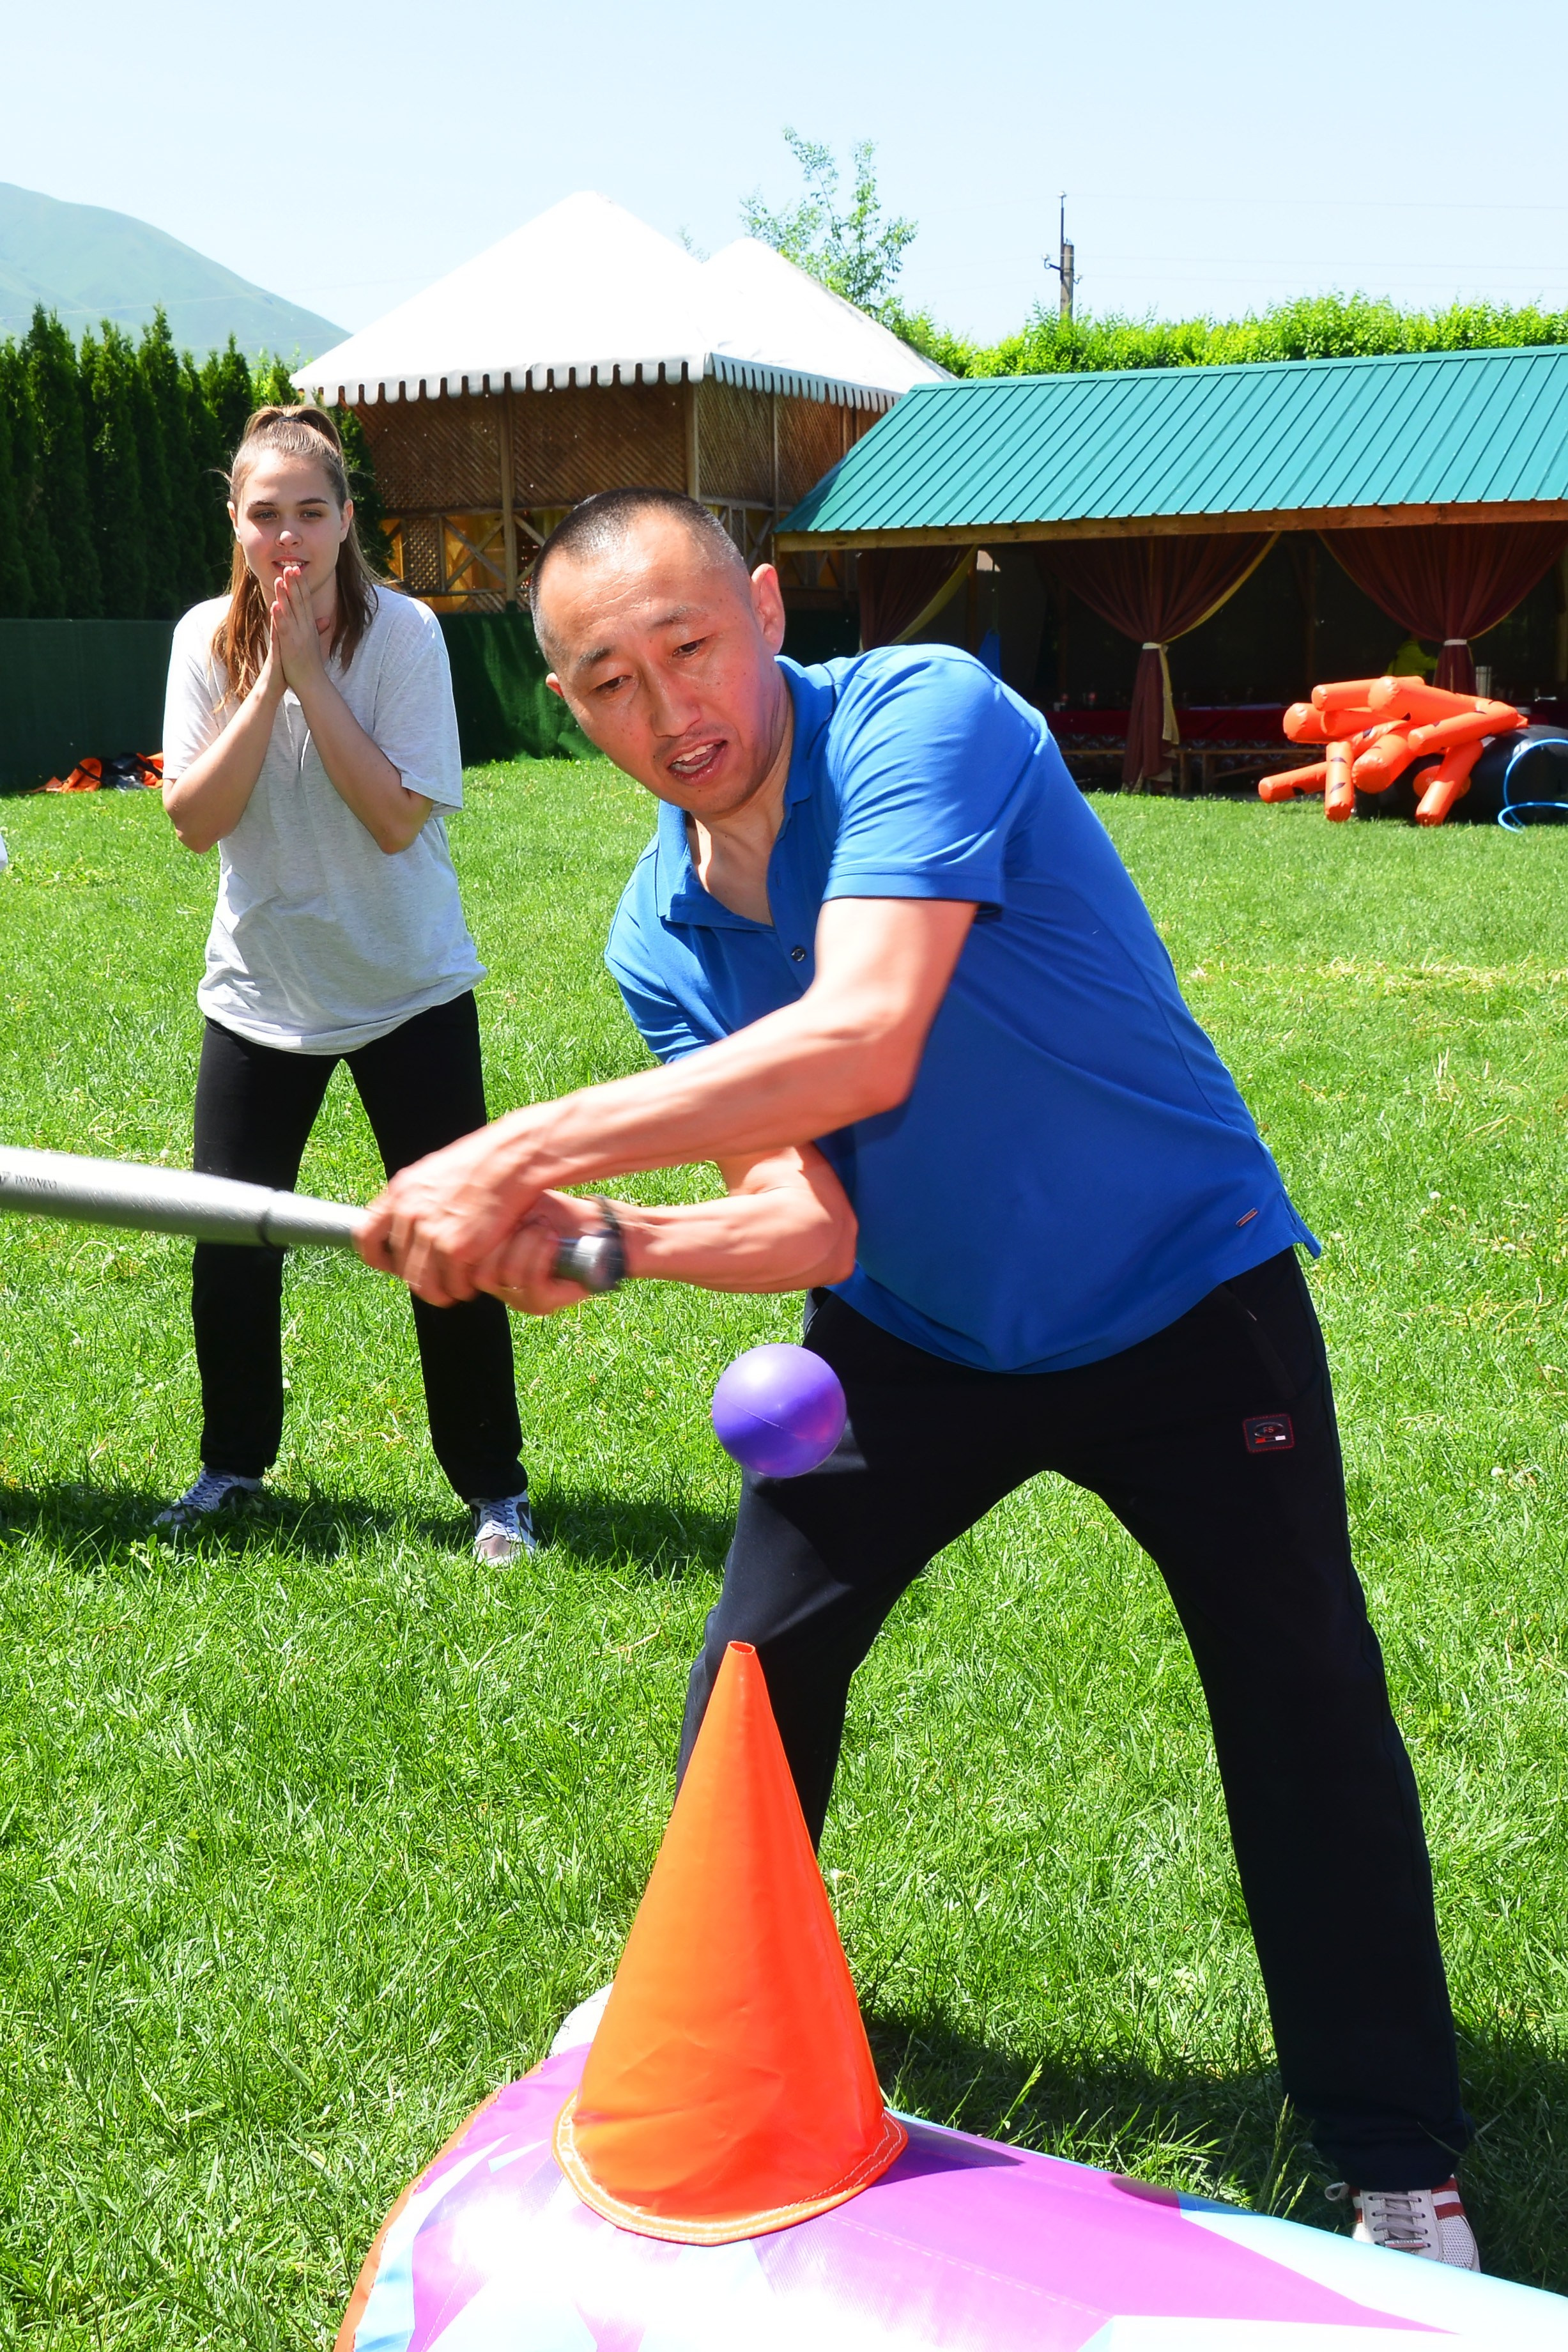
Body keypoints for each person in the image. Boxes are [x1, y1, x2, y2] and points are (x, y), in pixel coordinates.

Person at [360, 487, 1478, 2267]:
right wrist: (601, 1242)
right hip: (918, 1342)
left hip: (1181, 1301)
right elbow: (803, 1224)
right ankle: (697, 2017)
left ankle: (1394, 2154)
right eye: (607, 682)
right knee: (754, 1669)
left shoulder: (925, 717)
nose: (669, 707)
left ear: (768, 606)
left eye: (688, 646)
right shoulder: (664, 932)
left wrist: (513, 1146)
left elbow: (865, 1028)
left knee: (1298, 1704)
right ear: (566, 710)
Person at [157, 405, 533, 1562]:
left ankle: (493, 1489)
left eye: (310, 513)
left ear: (345, 521)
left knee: (446, 1239)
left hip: (406, 986)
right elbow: (192, 821)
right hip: (261, 993)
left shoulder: (408, 636)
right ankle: (233, 1467)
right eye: (264, 513)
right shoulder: (200, 642)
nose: (288, 537)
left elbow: (390, 820)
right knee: (229, 1248)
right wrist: (268, 677)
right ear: (234, 518)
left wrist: (313, 672)